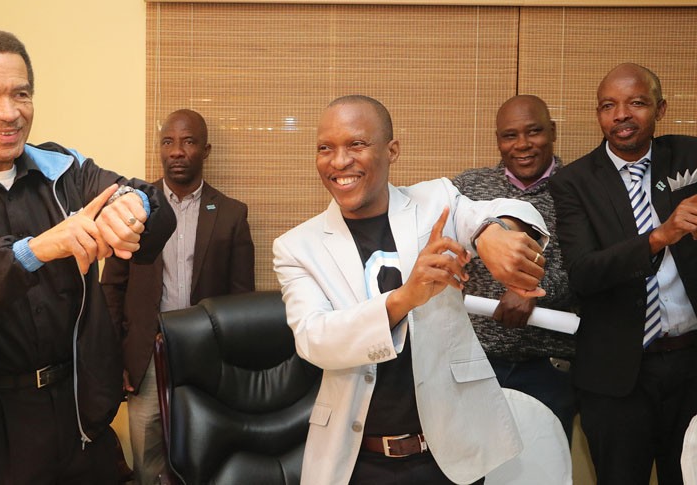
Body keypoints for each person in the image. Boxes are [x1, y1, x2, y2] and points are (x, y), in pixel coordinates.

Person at [0, 28, 176, 485]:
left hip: (78, 420)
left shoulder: (65, 170)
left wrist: (133, 204)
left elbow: (153, 208)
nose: (9, 113)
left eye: (21, 94)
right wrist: (34, 250)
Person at [273, 95, 551, 485]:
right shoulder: (297, 247)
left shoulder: (435, 200)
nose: (339, 161)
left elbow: (513, 211)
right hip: (358, 460)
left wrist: (494, 232)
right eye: (325, 148)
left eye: (356, 144)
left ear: (392, 151)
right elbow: (315, 340)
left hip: (449, 458)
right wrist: (407, 297)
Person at [549, 63, 697, 484]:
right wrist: (658, 237)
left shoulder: (690, 156)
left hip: (691, 365)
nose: (621, 115)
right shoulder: (574, 182)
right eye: (608, 106)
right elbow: (583, 273)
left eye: (636, 103)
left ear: (660, 109)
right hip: (616, 376)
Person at [102, 109, 255, 484]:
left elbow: (241, 300)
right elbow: (112, 287)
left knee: (207, 452)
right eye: (168, 142)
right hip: (147, 356)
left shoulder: (231, 214)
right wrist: (115, 356)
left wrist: (235, 365)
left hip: (208, 358)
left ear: (205, 150)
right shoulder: (135, 208)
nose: (176, 151)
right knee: (147, 457)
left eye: (188, 142)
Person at [452, 95, 577, 442]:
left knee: (544, 464)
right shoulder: (468, 188)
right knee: (472, 463)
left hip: (550, 367)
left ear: (552, 131)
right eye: (510, 135)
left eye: (533, 131)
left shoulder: (579, 187)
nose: (522, 145)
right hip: (475, 362)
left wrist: (532, 290)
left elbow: (589, 266)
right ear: (498, 140)